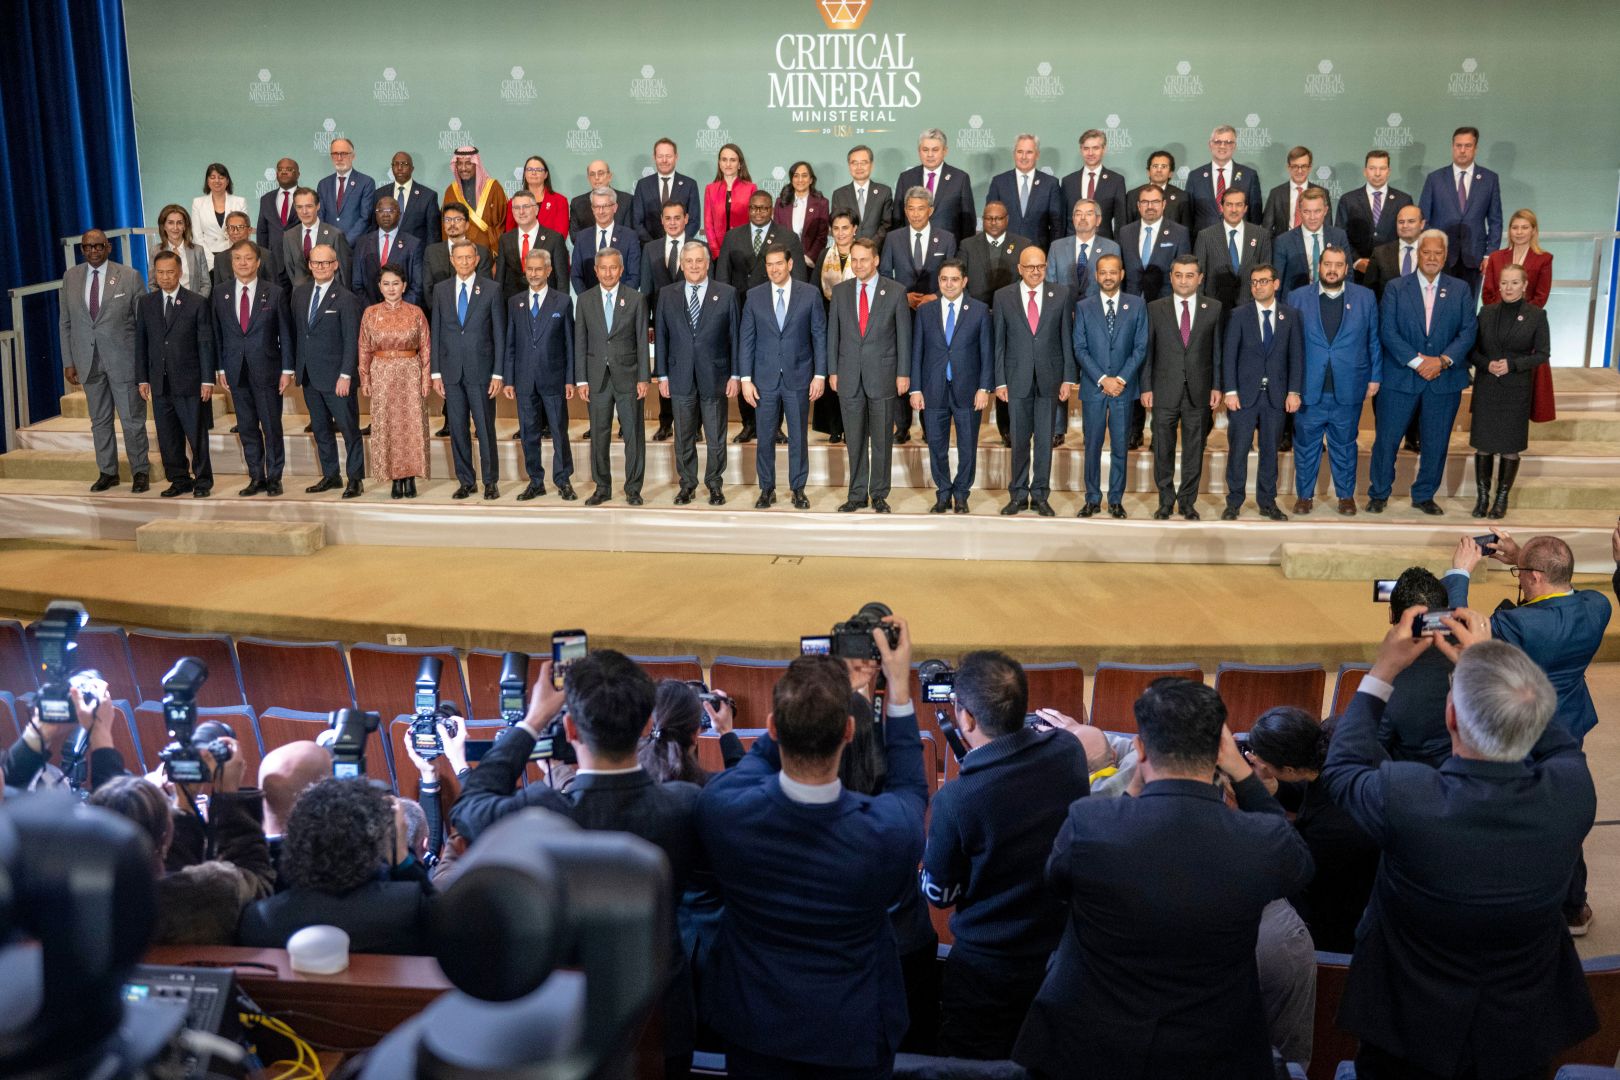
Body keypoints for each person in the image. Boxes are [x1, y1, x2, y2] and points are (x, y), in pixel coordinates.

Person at [1320, 608, 1598, 1077]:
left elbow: (1342, 768)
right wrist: (1491, 662)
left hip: (1406, 1032)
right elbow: (1562, 747)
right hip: (1520, 1032)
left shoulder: (1407, 795)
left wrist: (1382, 670)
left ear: (1451, 714)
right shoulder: (1571, 793)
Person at [1013, 679, 1313, 1080]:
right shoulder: (1261, 839)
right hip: (1209, 1055)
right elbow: (1299, 863)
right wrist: (1243, 773)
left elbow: (1056, 881)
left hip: (1092, 1051)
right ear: (1220, 753)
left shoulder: (1091, 823)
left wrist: (1132, 790)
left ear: (1139, 750)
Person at [698, 616, 927, 1079]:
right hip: (853, 1037)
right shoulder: (886, 833)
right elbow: (909, 785)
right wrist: (897, 687)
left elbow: (761, 757)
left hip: (755, 1029)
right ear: (848, 730)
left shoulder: (722, 811)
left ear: (771, 727)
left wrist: (806, 702)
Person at [921, 651, 1090, 1060]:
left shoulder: (957, 800)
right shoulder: (1068, 750)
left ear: (967, 719)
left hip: (985, 975)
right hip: (1060, 961)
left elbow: (940, 895)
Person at [1449, 529, 1614, 935]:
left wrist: (1460, 575)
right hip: (1571, 724)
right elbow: (1556, 579)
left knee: (1514, 815)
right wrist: (1520, 557)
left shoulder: (1514, 623)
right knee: (1564, 814)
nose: (1519, 578)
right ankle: (1575, 907)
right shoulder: (1598, 606)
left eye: (1522, 574)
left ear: (1534, 578)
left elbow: (1462, 630)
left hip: (1522, 727)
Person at [89, 745, 274, 946]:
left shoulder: (73, 901)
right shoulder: (208, 893)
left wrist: (185, 805)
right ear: (166, 838)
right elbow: (257, 880)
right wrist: (229, 796)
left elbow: (173, 871)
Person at [238, 777, 434, 955]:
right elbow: (448, 931)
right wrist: (400, 854)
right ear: (371, 843)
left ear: (295, 840)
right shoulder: (408, 906)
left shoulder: (257, 919)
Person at [1244, 707, 1378, 955]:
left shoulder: (1329, 828)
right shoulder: (1340, 742)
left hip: (1342, 916)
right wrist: (1277, 790)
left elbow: (1295, 865)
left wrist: (1256, 797)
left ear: (1290, 770)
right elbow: (1313, 788)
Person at [1368, 230, 1478, 515]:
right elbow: (1388, 331)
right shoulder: (1395, 287)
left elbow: (1468, 331)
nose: (1431, 258)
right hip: (1401, 377)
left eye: (1437, 253)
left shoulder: (1460, 289)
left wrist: (1442, 361)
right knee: (1386, 440)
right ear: (1418, 254)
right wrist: (1419, 362)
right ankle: (1379, 493)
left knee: (1436, 442)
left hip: (1443, 379)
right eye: (1426, 252)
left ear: (1445, 256)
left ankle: (1424, 494)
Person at [1287, 246, 1381, 515]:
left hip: (1349, 387)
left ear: (1346, 268)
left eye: (1338, 265)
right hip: (1309, 389)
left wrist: (1375, 377)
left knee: (1345, 446)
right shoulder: (1297, 297)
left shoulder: (1365, 297)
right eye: (1327, 264)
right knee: (1306, 447)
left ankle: (1345, 497)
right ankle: (1304, 496)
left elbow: (1373, 339)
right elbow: (1290, 344)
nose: (1332, 269)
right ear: (1319, 267)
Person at [61, 228, 149, 494]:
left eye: (98, 246)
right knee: (99, 420)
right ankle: (107, 472)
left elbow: (142, 324)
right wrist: (69, 360)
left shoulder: (129, 276)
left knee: (132, 419)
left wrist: (143, 363)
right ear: (82, 250)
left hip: (123, 360)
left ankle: (140, 471)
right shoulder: (71, 277)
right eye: (88, 247)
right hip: (87, 361)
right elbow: (65, 323)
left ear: (109, 247)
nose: (93, 251)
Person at [828, 236, 911, 514]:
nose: (859, 264)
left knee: (882, 439)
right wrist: (833, 370)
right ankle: (856, 494)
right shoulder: (840, 292)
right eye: (855, 259)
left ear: (875, 260)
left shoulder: (896, 291)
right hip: (849, 375)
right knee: (854, 438)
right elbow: (833, 337)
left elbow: (904, 338)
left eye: (865, 259)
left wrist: (903, 373)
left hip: (884, 375)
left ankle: (878, 494)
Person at [740, 243, 825, 509]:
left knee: (798, 436)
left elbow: (819, 336)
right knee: (764, 436)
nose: (774, 268)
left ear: (790, 264)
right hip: (763, 379)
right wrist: (745, 379)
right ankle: (766, 489)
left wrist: (820, 374)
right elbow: (747, 340)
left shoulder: (810, 294)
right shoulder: (754, 296)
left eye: (779, 263)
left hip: (799, 376)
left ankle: (798, 488)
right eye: (769, 264)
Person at [994, 245, 1074, 516]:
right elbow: (999, 344)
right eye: (1030, 267)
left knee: (1043, 441)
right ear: (1020, 269)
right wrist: (1000, 381)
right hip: (1016, 379)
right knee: (1018, 440)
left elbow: (1066, 338)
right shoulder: (1003, 296)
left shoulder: (1060, 294)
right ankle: (1017, 494)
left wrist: (1068, 378)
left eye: (1040, 266)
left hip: (1050, 379)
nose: (1036, 271)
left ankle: (1040, 495)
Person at [1141, 255, 1223, 520]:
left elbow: (1217, 352)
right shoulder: (1155, 308)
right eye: (1178, 274)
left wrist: (1217, 386)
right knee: (1162, 449)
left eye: (1190, 275)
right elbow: (1147, 352)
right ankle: (1165, 501)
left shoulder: (1214, 308)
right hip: (1164, 389)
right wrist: (1146, 387)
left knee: (1194, 451)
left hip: (1199, 391)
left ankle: (1187, 502)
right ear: (1171, 277)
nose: (1184, 280)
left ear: (1200, 278)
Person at [659, 241, 740, 505]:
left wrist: (736, 375)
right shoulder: (667, 294)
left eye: (699, 261)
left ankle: (715, 484)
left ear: (708, 264)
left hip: (715, 376)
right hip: (679, 375)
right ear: (681, 265)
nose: (694, 266)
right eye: (689, 261)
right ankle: (687, 484)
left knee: (716, 437)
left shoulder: (726, 294)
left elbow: (735, 338)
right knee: (683, 436)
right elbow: (661, 337)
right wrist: (662, 375)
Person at [1468, 264, 1551, 517]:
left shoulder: (1537, 315)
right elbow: (1472, 350)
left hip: (1515, 390)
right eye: (1504, 283)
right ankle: (1482, 499)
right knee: (1483, 445)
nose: (1508, 288)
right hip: (1487, 387)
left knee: (1509, 447)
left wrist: (1513, 365)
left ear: (1525, 285)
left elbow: (1543, 354)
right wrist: (1487, 364)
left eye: (1515, 283)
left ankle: (1501, 499)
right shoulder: (1486, 312)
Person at [213, 239, 294, 497]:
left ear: (258, 262)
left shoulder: (274, 292)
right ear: (231, 263)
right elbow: (217, 334)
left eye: (248, 258)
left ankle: (275, 477)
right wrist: (220, 368)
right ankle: (256, 476)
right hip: (235, 370)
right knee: (247, 427)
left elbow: (286, 333)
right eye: (238, 259)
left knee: (271, 427)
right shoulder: (220, 293)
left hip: (268, 370)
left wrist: (287, 370)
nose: (243, 263)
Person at [1221, 263, 1301, 520]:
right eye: (1254, 282)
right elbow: (1229, 356)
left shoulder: (1290, 316)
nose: (1258, 286)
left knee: (1269, 451)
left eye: (1264, 281)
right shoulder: (1239, 315)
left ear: (1276, 284)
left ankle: (1267, 502)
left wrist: (1294, 391)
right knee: (1239, 450)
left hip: (1276, 396)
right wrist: (1230, 391)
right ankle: (1234, 502)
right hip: (1244, 396)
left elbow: (1296, 357)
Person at [908, 259, 989, 514]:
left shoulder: (979, 310)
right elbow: (917, 351)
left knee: (967, 446)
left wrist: (984, 388)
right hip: (933, 389)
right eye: (944, 279)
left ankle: (962, 494)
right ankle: (943, 492)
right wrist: (916, 389)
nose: (949, 284)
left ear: (964, 281)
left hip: (969, 389)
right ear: (939, 282)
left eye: (954, 279)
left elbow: (987, 352)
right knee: (936, 445)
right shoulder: (925, 311)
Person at [1073, 253, 1147, 517]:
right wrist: (1103, 380)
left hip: (1124, 389)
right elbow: (1079, 348)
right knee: (1091, 446)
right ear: (1096, 275)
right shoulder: (1084, 307)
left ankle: (1115, 499)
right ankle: (1092, 498)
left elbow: (1140, 347)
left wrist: (1121, 379)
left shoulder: (1136, 305)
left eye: (1112, 272)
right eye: (1103, 272)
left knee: (1119, 447)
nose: (1107, 277)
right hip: (1094, 388)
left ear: (1121, 274)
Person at [430, 239, 505, 500]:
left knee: (485, 428)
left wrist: (498, 373)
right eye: (458, 258)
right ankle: (466, 481)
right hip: (451, 373)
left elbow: (499, 334)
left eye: (468, 258)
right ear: (452, 260)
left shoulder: (492, 290)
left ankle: (491, 481)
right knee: (458, 429)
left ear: (476, 260)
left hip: (482, 372)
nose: (463, 262)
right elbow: (436, 332)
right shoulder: (441, 290)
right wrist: (436, 373)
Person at [881, 186, 957, 444]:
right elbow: (883, 275)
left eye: (920, 208)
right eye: (910, 208)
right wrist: (902, 297)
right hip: (901, 312)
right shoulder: (893, 238)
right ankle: (901, 427)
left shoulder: (946, 238)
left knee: (930, 369)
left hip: (934, 313)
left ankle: (929, 426)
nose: (915, 214)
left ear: (931, 210)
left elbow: (953, 274)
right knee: (900, 366)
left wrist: (935, 296)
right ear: (905, 211)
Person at [135, 250, 213, 498]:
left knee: (196, 434)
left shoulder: (196, 302)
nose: (166, 277)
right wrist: (143, 378)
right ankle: (179, 479)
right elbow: (141, 343)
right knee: (168, 436)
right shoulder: (146, 303)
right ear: (154, 274)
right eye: (160, 272)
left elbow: (205, 344)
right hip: (160, 382)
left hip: (190, 381)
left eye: (170, 272)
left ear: (179, 272)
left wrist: (207, 379)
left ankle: (203, 481)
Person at [575, 247, 650, 505]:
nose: (608, 272)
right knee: (599, 434)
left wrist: (643, 378)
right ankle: (602, 488)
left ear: (621, 270)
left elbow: (642, 341)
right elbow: (580, 342)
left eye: (613, 267)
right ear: (596, 271)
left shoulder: (635, 299)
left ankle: (633, 489)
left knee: (633, 435)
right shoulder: (584, 300)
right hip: (596, 378)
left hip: (629, 377)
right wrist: (581, 379)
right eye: (603, 268)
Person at [290, 242, 365, 498]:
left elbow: (351, 340)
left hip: (337, 379)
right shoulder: (299, 294)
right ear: (309, 265)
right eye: (315, 262)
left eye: (325, 262)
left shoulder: (346, 299)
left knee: (348, 429)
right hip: (309, 375)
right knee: (321, 430)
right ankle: (331, 475)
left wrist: (346, 374)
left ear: (335, 265)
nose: (320, 267)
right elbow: (299, 334)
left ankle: (355, 478)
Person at [503, 249, 576, 502]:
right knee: (528, 432)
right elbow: (510, 343)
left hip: (554, 378)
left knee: (558, 431)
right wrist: (509, 379)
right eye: (530, 269)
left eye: (538, 269)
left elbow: (570, 344)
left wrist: (570, 379)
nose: (534, 274)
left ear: (548, 270)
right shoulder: (515, 302)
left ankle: (563, 480)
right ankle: (536, 481)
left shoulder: (563, 301)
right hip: (524, 379)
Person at [959, 201, 1028, 447]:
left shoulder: (1022, 245)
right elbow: (962, 282)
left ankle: (1006, 429)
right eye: (989, 218)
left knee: (1004, 372)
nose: (994, 223)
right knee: (975, 371)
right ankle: (970, 427)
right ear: (982, 220)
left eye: (999, 218)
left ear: (1007, 219)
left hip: (1011, 320)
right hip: (977, 318)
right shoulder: (967, 245)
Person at [360, 265, 431, 500]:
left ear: (404, 286)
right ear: (379, 287)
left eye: (396, 283)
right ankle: (394, 478)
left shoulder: (415, 312)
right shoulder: (370, 313)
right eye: (386, 284)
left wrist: (425, 379)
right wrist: (365, 378)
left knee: (410, 426)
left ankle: (410, 477)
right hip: (381, 374)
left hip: (410, 373)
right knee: (387, 426)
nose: (391, 288)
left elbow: (426, 348)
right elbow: (364, 348)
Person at [1375, 567, 1455, 767]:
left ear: (1392, 615)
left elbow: (1373, 748)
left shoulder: (1387, 680)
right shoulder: (1482, 658)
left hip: (1413, 781)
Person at [1419, 126, 1503, 297]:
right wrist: (1432, 251)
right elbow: (1423, 219)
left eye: (1468, 146)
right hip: (1441, 258)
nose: (1462, 150)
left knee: (1468, 308)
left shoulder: (1489, 179)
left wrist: (1489, 255)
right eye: (1458, 146)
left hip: (1474, 258)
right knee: (1438, 307)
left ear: (1476, 148)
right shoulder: (1435, 179)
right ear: (1452, 147)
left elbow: (1495, 221)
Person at [642, 201, 695, 443]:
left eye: (677, 217)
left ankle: (696, 426)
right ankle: (666, 423)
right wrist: (648, 323)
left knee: (694, 372)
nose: (672, 222)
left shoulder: (698, 248)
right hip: (662, 322)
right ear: (661, 221)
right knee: (665, 371)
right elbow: (646, 290)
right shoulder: (650, 249)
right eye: (668, 218)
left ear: (686, 219)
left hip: (693, 321)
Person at [815, 211, 860, 445]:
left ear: (855, 229)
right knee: (831, 374)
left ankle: (852, 427)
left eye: (845, 227)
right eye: (836, 228)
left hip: (855, 325)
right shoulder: (825, 254)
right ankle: (833, 427)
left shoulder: (862, 254)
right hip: (828, 323)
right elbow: (815, 290)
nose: (841, 233)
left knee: (852, 378)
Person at [1338, 150, 1413, 282]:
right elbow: (1340, 236)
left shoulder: (1403, 200)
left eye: (1382, 168)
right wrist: (1356, 261)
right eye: (1372, 168)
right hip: (1357, 275)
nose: (1377, 173)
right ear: (1365, 171)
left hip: (1393, 273)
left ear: (1389, 171)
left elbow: (1409, 237)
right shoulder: (1348, 200)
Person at [894, 127, 975, 244]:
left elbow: (968, 222)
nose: (930, 155)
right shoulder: (906, 178)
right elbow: (898, 219)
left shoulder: (960, 178)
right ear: (919, 151)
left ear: (945, 151)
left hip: (949, 251)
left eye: (935, 150)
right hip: (912, 248)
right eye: (925, 150)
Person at [1196, 188, 1271, 313]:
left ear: (1245, 208)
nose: (1234, 210)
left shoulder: (1261, 235)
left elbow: (1266, 274)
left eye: (1239, 205)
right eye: (1229, 205)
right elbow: (1199, 276)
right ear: (1221, 207)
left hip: (1251, 307)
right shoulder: (1205, 236)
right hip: (1215, 308)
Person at [985, 133, 1062, 251]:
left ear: (1037, 155)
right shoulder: (999, 182)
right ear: (1014, 154)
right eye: (1020, 151)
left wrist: (1052, 255)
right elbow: (990, 221)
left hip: (1038, 254)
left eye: (1029, 152)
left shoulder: (1050, 184)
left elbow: (1057, 226)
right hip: (1003, 253)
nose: (1024, 157)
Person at [1186, 125, 1263, 235]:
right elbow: (1188, 216)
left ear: (1234, 146)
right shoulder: (1195, 176)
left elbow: (1255, 216)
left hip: (1239, 241)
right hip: (1204, 243)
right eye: (1217, 142)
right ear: (1210, 145)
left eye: (1228, 142)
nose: (1222, 146)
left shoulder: (1249, 175)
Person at [1117, 184, 1190, 303]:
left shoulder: (1179, 232)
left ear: (1164, 204)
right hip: (1130, 301)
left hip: (1165, 302)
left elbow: (1183, 272)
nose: (1150, 206)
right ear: (1138, 205)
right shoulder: (1125, 232)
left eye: (1155, 202)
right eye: (1145, 202)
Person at [1273, 187, 1349, 292]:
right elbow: (1277, 282)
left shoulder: (1339, 236)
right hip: (1295, 304)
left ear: (1325, 210)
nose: (1312, 217)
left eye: (1317, 211)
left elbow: (1348, 275)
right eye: (1307, 212)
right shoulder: (1283, 241)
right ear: (1299, 212)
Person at [352, 195, 423, 306]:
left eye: (390, 210)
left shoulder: (413, 244)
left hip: (402, 312)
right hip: (370, 310)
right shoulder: (362, 243)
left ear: (399, 214)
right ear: (375, 214)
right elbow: (357, 284)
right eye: (380, 210)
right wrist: (372, 309)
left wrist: (399, 309)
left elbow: (417, 285)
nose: (385, 214)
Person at [571, 186, 642, 296]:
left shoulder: (629, 236)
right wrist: (587, 300)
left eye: (605, 206)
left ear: (615, 207)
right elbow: (576, 275)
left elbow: (634, 275)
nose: (601, 211)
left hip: (622, 304)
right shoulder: (582, 237)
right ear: (592, 209)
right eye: (597, 206)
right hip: (591, 305)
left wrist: (620, 299)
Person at [1059, 128, 1128, 240]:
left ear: (1103, 149)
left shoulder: (1116, 181)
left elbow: (1121, 221)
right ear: (1081, 150)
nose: (1090, 153)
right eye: (1086, 148)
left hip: (1104, 246)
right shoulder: (1068, 181)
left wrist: (1117, 249)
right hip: (1072, 246)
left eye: (1095, 148)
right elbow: (1062, 221)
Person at [278, 187, 352, 292]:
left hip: (331, 296)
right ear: (295, 208)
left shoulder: (335, 234)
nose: (304, 211)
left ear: (318, 206)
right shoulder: (289, 236)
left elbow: (344, 274)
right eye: (299, 207)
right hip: (301, 296)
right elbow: (291, 270)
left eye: (309, 206)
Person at [496, 190, 567, 298]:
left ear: (536, 209)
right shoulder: (505, 239)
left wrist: (561, 308)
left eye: (526, 207)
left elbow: (562, 279)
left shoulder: (555, 239)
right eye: (516, 208)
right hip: (513, 306)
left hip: (547, 304)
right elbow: (499, 279)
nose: (521, 212)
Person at [421, 203, 493, 308]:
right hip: (440, 314)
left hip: (473, 315)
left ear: (467, 225)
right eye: (448, 220)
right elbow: (428, 289)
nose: (452, 224)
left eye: (457, 220)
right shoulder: (431, 251)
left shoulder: (481, 252)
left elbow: (484, 288)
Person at [1048, 199, 1119, 302]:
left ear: (1098, 220)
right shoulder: (1056, 247)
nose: (1082, 218)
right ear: (1073, 219)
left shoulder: (1112, 248)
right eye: (1078, 214)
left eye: (1088, 214)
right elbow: (1050, 285)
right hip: (1064, 311)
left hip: (1096, 311)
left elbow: (1113, 288)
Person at [632, 137, 701, 244]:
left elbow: (694, 221)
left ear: (676, 157)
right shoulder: (643, 185)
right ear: (654, 157)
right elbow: (637, 222)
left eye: (668, 156)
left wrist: (678, 242)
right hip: (650, 249)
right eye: (660, 156)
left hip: (682, 249)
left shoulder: (690, 184)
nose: (664, 160)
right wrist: (653, 246)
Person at [441, 145, 506, 257]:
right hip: (460, 257)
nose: (463, 168)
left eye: (468, 163)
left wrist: (498, 255)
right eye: (459, 164)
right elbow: (444, 227)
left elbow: (502, 223)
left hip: (490, 255)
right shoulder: (451, 191)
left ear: (476, 164)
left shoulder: (494, 188)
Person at [1482, 208, 1553, 307]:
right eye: (1515, 228)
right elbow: (1487, 294)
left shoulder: (1544, 259)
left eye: (1525, 227)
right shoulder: (1495, 257)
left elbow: (1541, 297)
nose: (1519, 232)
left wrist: (1521, 317)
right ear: (1510, 230)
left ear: (1533, 230)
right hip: (1496, 317)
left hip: (1528, 318)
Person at [828, 143, 894, 248]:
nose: (859, 167)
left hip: (876, 252)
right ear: (849, 166)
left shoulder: (884, 192)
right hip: (848, 253)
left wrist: (869, 247)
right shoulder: (839, 194)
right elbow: (837, 225)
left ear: (871, 165)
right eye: (854, 163)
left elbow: (887, 225)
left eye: (864, 163)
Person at [1360, 203, 1426, 302]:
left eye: (1411, 221)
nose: (1405, 225)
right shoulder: (1380, 253)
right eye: (1401, 222)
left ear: (1422, 224)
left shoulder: (1434, 253)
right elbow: (1369, 292)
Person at [316, 138, 374, 248]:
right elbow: (320, 216)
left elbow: (365, 218)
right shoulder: (323, 184)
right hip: (328, 248)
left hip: (354, 247)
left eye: (343, 153)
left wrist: (343, 243)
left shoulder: (366, 182)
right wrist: (328, 242)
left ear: (353, 156)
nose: (339, 158)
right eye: (335, 154)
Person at [702, 143, 756, 261]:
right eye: (724, 159)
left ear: (739, 164)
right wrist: (716, 251)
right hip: (718, 253)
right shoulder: (710, 189)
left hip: (744, 251)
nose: (728, 164)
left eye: (732, 160)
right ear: (719, 163)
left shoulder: (751, 188)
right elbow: (708, 223)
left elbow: (754, 221)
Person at [1260, 146, 1328, 239]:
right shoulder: (1276, 193)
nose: (1299, 171)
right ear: (1288, 167)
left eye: (1303, 166)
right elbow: (1266, 228)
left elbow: (1327, 227)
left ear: (1310, 168)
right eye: (1295, 166)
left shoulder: (1322, 193)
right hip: (1283, 248)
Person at [773, 160, 830, 268]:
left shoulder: (822, 203)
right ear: (791, 179)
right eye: (796, 176)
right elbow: (777, 232)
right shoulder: (781, 202)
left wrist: (808, 258)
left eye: (804, 176)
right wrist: (783, 258)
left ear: (811, 180)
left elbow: (822, 236)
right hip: (784, 262)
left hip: (809, 263)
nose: (800, 180)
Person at [191, 163, 247, 266]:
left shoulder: (239, 202)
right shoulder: (197, 203)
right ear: (207, 181)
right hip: (207, 259)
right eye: (212, 177)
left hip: (233, 256)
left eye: (221, 177)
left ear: (227, 181)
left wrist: (234, 256)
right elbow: (197, 236)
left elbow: (242, 232)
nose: (217, 181)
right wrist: (213, 261)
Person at [504, 154, 570, 237]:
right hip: (522, 248)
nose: (533, 172)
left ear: (546, 174)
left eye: (538, 170)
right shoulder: (513, 202)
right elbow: (510, 233)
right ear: (524, 174)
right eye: (529, 169)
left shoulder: (560, 201)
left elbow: (561, 234)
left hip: (550, 249)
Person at [386, 150, 442, 247]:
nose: (399, 168)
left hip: (416, 257)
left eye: (404, 164)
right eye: (396, 164)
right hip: (386, 256)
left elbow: (433, 235)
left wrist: (430, 260)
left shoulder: (428, 196)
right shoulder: (380, 194)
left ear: (412, 168)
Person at [258, 157, 301, 282]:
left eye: (289, 169)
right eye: (280, 169)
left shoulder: (307, 197)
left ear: (298, 174)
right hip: (275, 263)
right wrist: (264, 259)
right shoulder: (266, 199)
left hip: (301, 262)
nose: (283, 172)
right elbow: (262, 232)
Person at [156, 204, 213, 298]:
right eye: (170, 223)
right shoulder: (156, 251)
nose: (175, 227)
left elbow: (206, 284)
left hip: (194, 305)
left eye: (179, 223)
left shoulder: (197, 250)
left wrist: (196, 304)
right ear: (164, 226)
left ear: (185, 226)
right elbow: (153, 284)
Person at [1125, 149, 1191, 230]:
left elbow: (1186, 230)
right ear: (1148, 172)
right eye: (1155, 166)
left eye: (1164, 167)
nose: (1159, 170)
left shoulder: (1182, 197)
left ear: (1170, 173)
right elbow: (1126, 229)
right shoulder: (1133, 195)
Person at [566, 159, 633, 235]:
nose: (596, 177)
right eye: (592, 174)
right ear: (588, 178)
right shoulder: (577, 203)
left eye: (600, 173)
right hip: (588, 246)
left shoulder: (627, 200)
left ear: (609, 176)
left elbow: (629, 234)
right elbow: (575, 236)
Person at [210, 212, 272, 289]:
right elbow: (217, 293)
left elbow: (274, 290)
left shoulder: (265, 255)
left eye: (240, 227)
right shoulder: (220, 259)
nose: (235, 232)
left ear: (249, 230)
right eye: (231, 227)